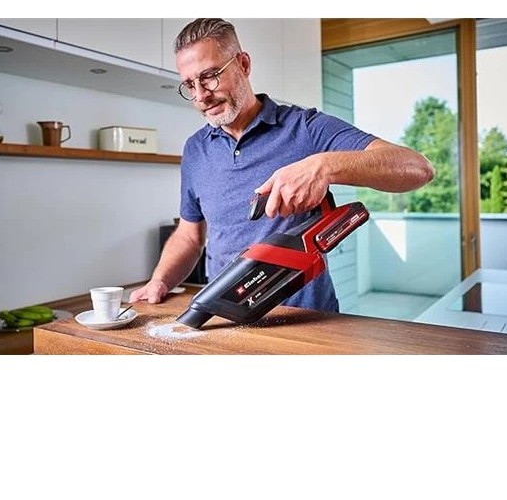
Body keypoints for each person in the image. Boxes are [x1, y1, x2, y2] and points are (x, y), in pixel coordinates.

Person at [129, 18, 435, 314]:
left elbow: (416, 168)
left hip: (308, 321)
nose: (200, 96)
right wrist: (160, 281)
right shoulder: (195, 150)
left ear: (243, 64)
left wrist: (323, 166)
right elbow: (189, 235)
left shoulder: (305, 128)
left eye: (209, 76)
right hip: (224, 319)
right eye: (189, 84)